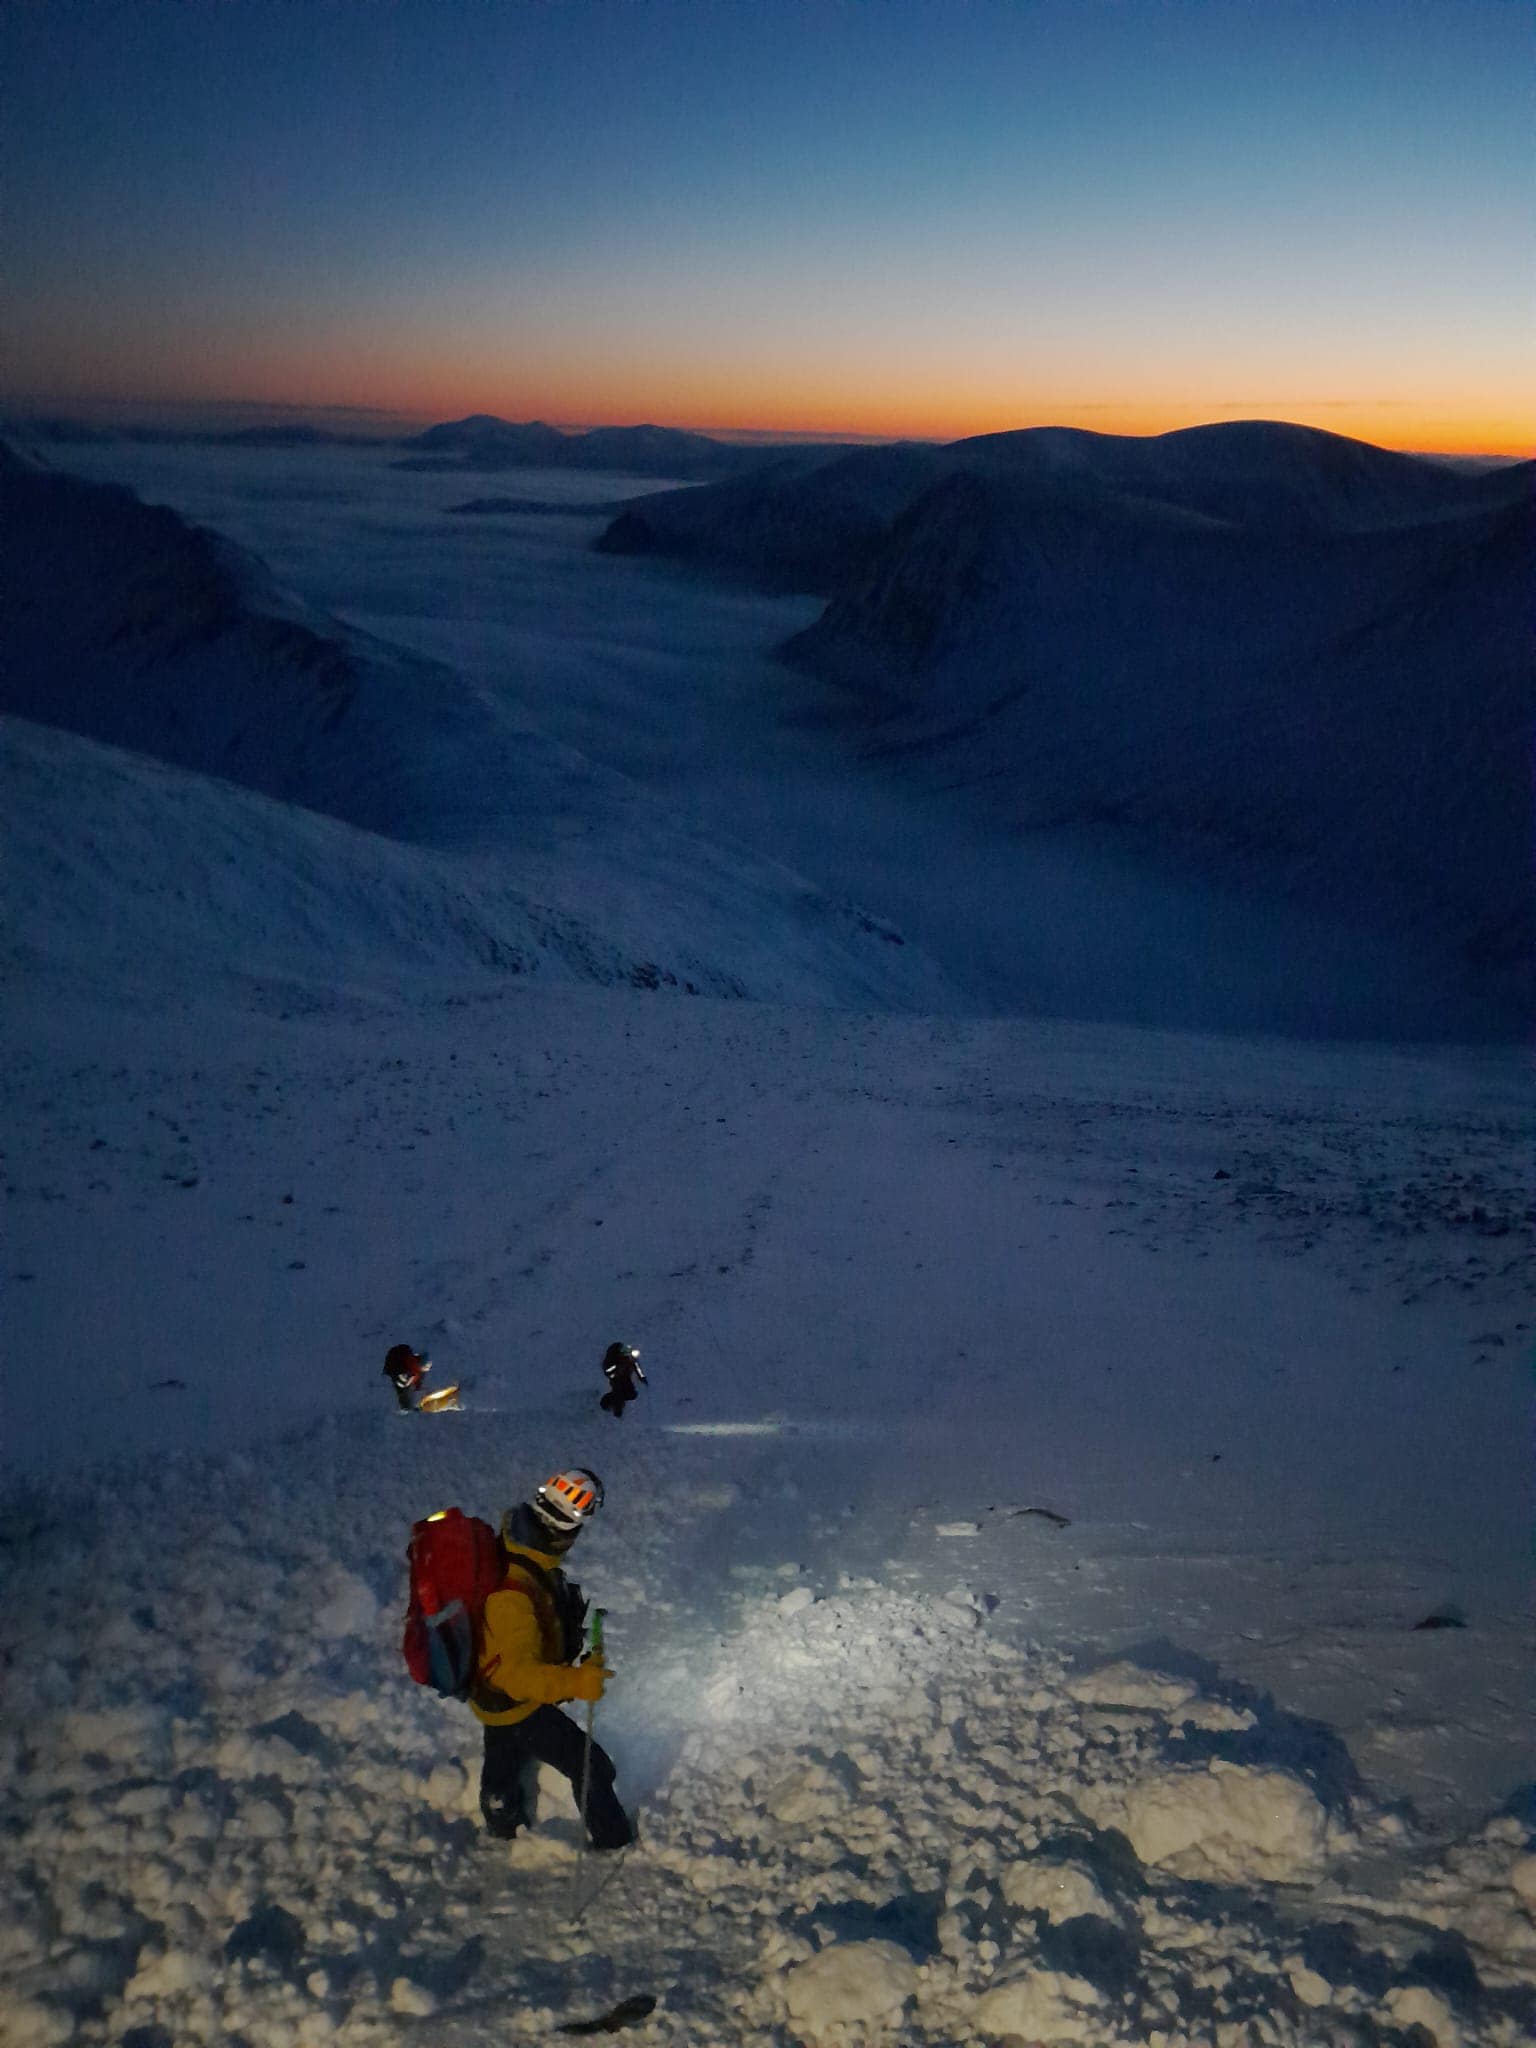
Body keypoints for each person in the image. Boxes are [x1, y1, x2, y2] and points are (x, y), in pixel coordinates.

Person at [472, 1467, 633, 1851]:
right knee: (592, 1766)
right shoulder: (514, 1591)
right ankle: (614, 1842)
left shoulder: (517, 1547)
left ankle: (500, 1817)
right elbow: (517, 1675)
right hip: (517, 1703)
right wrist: (575, 1682)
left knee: (503, 1758)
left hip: (488, 1692)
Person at [598, 1341, 646, 1418]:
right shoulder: (612, 1360)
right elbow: (608, 1371)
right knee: (618, 1393)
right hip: (616, 1379)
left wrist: (641, 1377)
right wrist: (618, 1368)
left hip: (626, 1378)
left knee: (632, 1394)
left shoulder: (628, 1359)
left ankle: (611, 1401)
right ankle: (614, 1408)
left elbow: (636, 1367)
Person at [383, 1343, 430, 1412]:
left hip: (405, 1373)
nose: (427, 1368)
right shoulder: (409, 1368)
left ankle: (407, 1407)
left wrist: (418, 1387)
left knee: (405, 1388)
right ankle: (405, 1408)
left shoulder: (418, 1368)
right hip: (399, 1373)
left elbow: (418, 1378)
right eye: (426, 1367)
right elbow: (404, 1382)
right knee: (402, 1389)